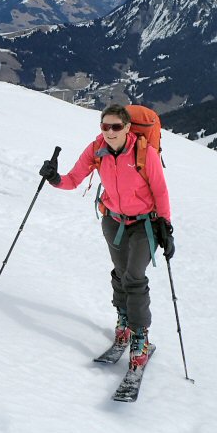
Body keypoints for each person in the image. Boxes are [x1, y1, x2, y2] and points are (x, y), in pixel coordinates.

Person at [38, 104, 174, 370]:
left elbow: (160, 190)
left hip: (144, 225)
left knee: (135, 277)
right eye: (105, 126)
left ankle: (140, 337)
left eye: (116, 127)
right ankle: (123, 320)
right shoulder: (96, 149)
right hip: (112, 221)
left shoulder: (144, 152)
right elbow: (74, 179)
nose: (110, 132)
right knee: (121, 274)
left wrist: (166, 227)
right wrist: (54, 178)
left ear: (126, 128)